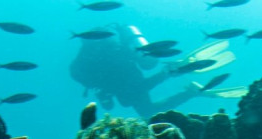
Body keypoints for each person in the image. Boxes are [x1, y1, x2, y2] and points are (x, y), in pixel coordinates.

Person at [69, 24, 204, 118]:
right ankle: (176, 79)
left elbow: (78, 74)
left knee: (144, 107)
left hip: (124, 81)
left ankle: (172, 76)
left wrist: (101, 88)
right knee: (141, 107)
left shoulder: (89, 57)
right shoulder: (112, 50)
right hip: (125, 80)